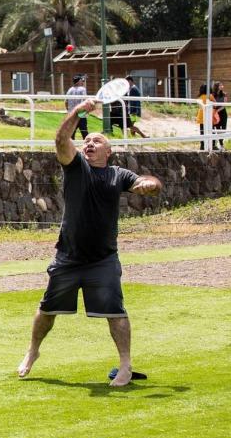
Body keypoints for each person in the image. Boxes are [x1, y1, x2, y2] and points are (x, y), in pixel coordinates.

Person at [17, 98, 163, 387]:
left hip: (103, 259)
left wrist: (151, 185)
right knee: (47, 309)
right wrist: (78, 111)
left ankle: (125, 365)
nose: (90, 143)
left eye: (97, 141)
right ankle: (32, 351)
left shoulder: (117, 174)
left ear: (109, 152)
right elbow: (61, 138)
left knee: (115, 312)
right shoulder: (75, 167)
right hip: (68, 257)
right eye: (87, 140)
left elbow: (146, 183)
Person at [65, 75, 88, 139]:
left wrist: (69, 111)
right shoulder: (82, 89)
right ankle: (86, 145)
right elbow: (85, 100)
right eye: (82, 81)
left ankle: (72, 147)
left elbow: (66, 102)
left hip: (72, 114)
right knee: (84, 131)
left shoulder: (70, 90)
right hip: (81, 113)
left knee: (72, 133)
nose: (83, 82)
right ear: (79, 81)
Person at [213, 81, 228, 150]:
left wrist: (217, 111)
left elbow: (224, 105)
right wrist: (215, 111)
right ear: (217, 87)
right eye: (220, 85)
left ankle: (220, 141)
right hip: (216, 114)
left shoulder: (224, 94)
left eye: (222, 85)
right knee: (218, 129)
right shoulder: (212, 95)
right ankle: (221, 144)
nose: (222, 86)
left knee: (224, 129)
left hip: (223, 113)